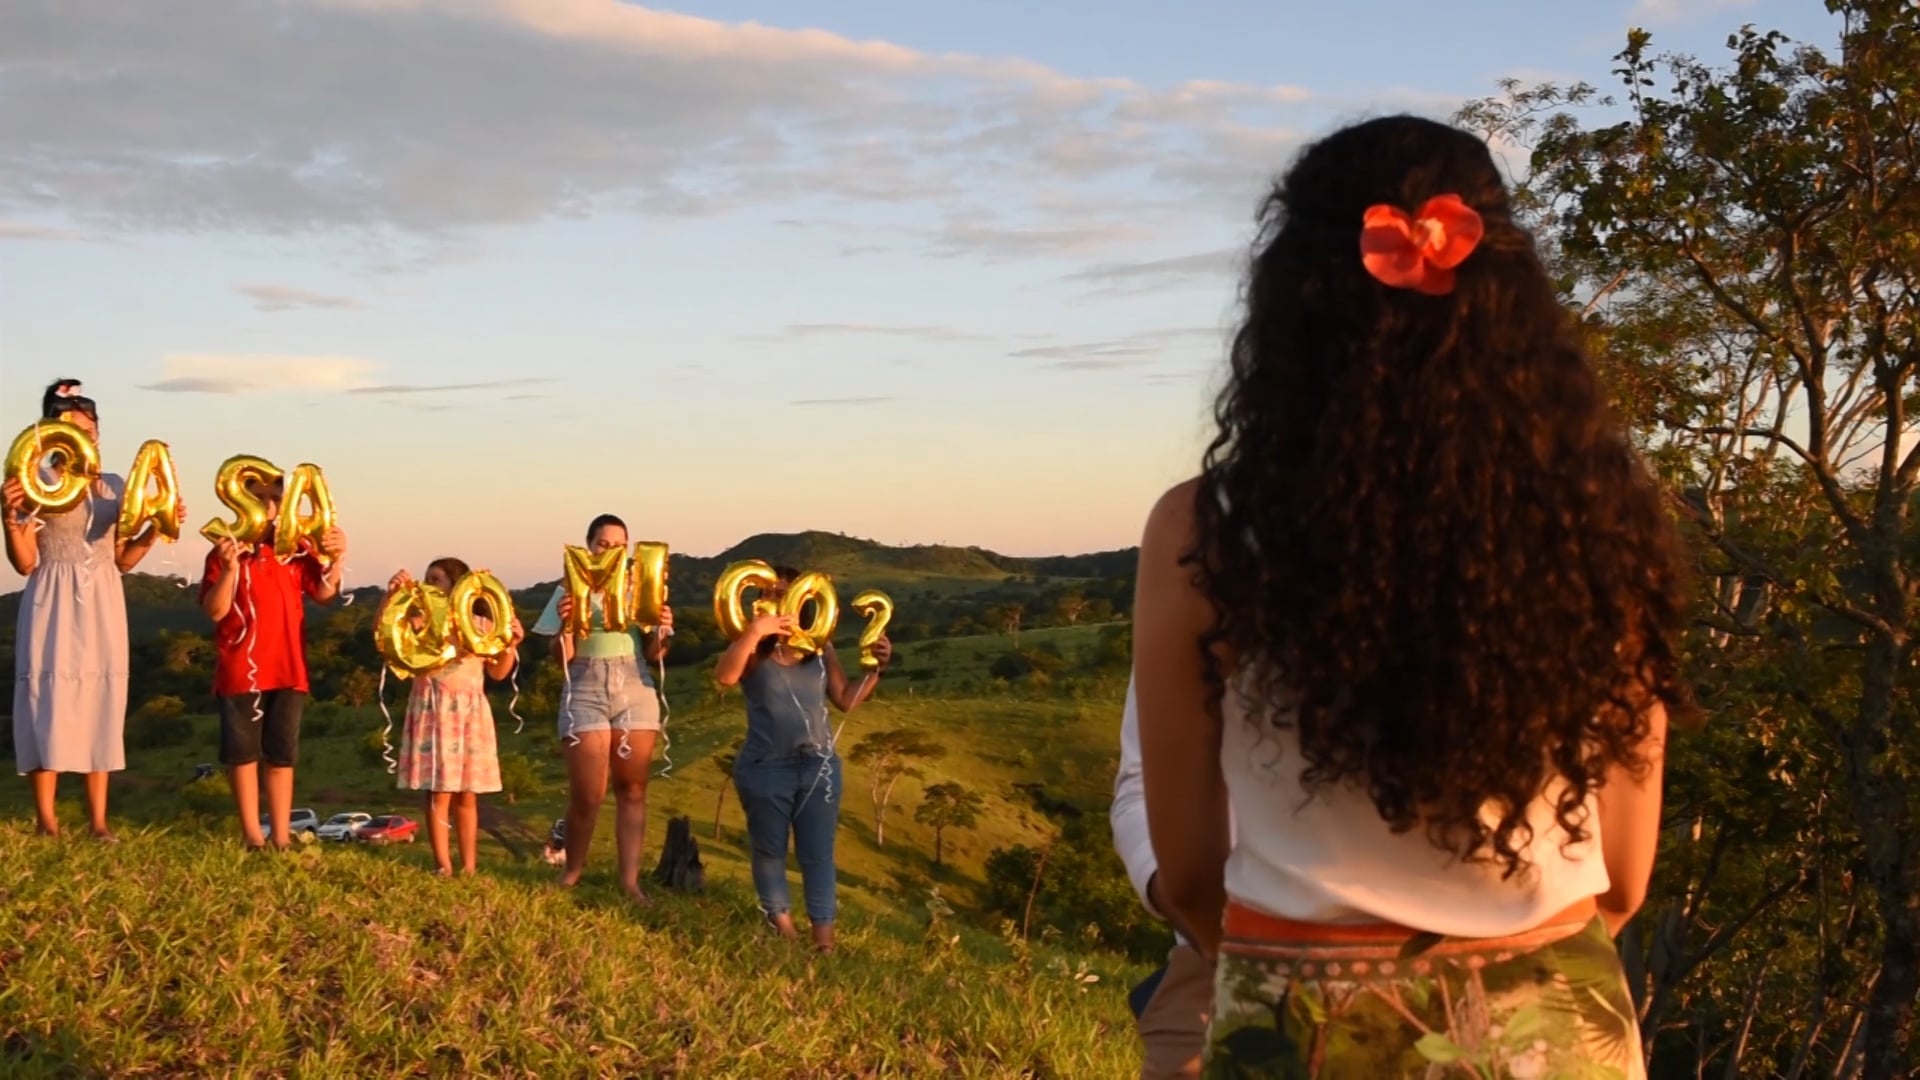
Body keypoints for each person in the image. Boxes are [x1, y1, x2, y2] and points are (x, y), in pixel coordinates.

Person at [1132, 115, 1691, 1075]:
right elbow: (1626, 879)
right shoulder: (1607, 520)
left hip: (1298, 1019)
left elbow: (1185, 876)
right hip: (1553, 1017)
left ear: (1291, 302)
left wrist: (1292, 975)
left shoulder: (1200, 531)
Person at [6, 379, 183, 839]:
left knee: (100, 701)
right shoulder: (36, 484)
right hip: (52, 596)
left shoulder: (115, 486)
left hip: (103, 595)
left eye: (90, 428)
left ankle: (98, 821)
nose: (85, 437)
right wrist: (9, 518)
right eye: (73, 428)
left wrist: (155, 529)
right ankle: (46, 820)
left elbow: (123, 559)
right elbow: (25, 562)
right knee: (48, 699)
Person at [712, 565, 892, 954]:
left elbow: (845, 698)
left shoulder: (821, 648)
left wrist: (876, 669)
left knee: (818, 855)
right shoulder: (754, 649)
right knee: (769, 851)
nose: (782, 600)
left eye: (788, 592)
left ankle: (824, 944)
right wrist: (755, 632)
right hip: (765, 767)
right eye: (773, 592)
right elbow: (725, 677)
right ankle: (785, 932)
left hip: (818, 766)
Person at [199, 470, 348, 851]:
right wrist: (231, 569)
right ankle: (252, 836)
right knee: (243, 755)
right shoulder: (225, 549)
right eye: (258, 495)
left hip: (288, 665)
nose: (267, 503)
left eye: (275, 497)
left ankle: (281, 837)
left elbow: (324, 593)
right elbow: (215, 611)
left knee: (282, 755)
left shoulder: (296, 547)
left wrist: (337, 557)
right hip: (240, 667)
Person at [530, 513, 673, 904]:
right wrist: (564, 627)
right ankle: (571, 871)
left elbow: (656, 652)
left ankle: (629, 882)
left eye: (618, 546)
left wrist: (662, 629)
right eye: (602, 544)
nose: (609, 551)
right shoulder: (568, 588)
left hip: (635, 683)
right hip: (585, 684)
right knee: (588, 793)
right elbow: (559, 657)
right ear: (589, 546)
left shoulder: (641, 587)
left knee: (632, 787)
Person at [1111, 674, 1230, 1079]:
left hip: (1420, 973)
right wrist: (1176, 895)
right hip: (1214, 962)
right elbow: (1141, 785)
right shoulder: (1200, 611)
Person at [383, 557, 524, 876]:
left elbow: (499, 673)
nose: (430, 584)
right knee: (438, 793)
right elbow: (387, 639)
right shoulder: (420, 622)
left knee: (467, 794)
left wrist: (512, 645)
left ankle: (470, 866)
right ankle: (443, 865)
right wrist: (390, 598)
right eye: (427, 578)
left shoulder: (482, 624)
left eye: (437, 579)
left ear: (456, 585)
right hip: (434, 709)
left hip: (469, 712)